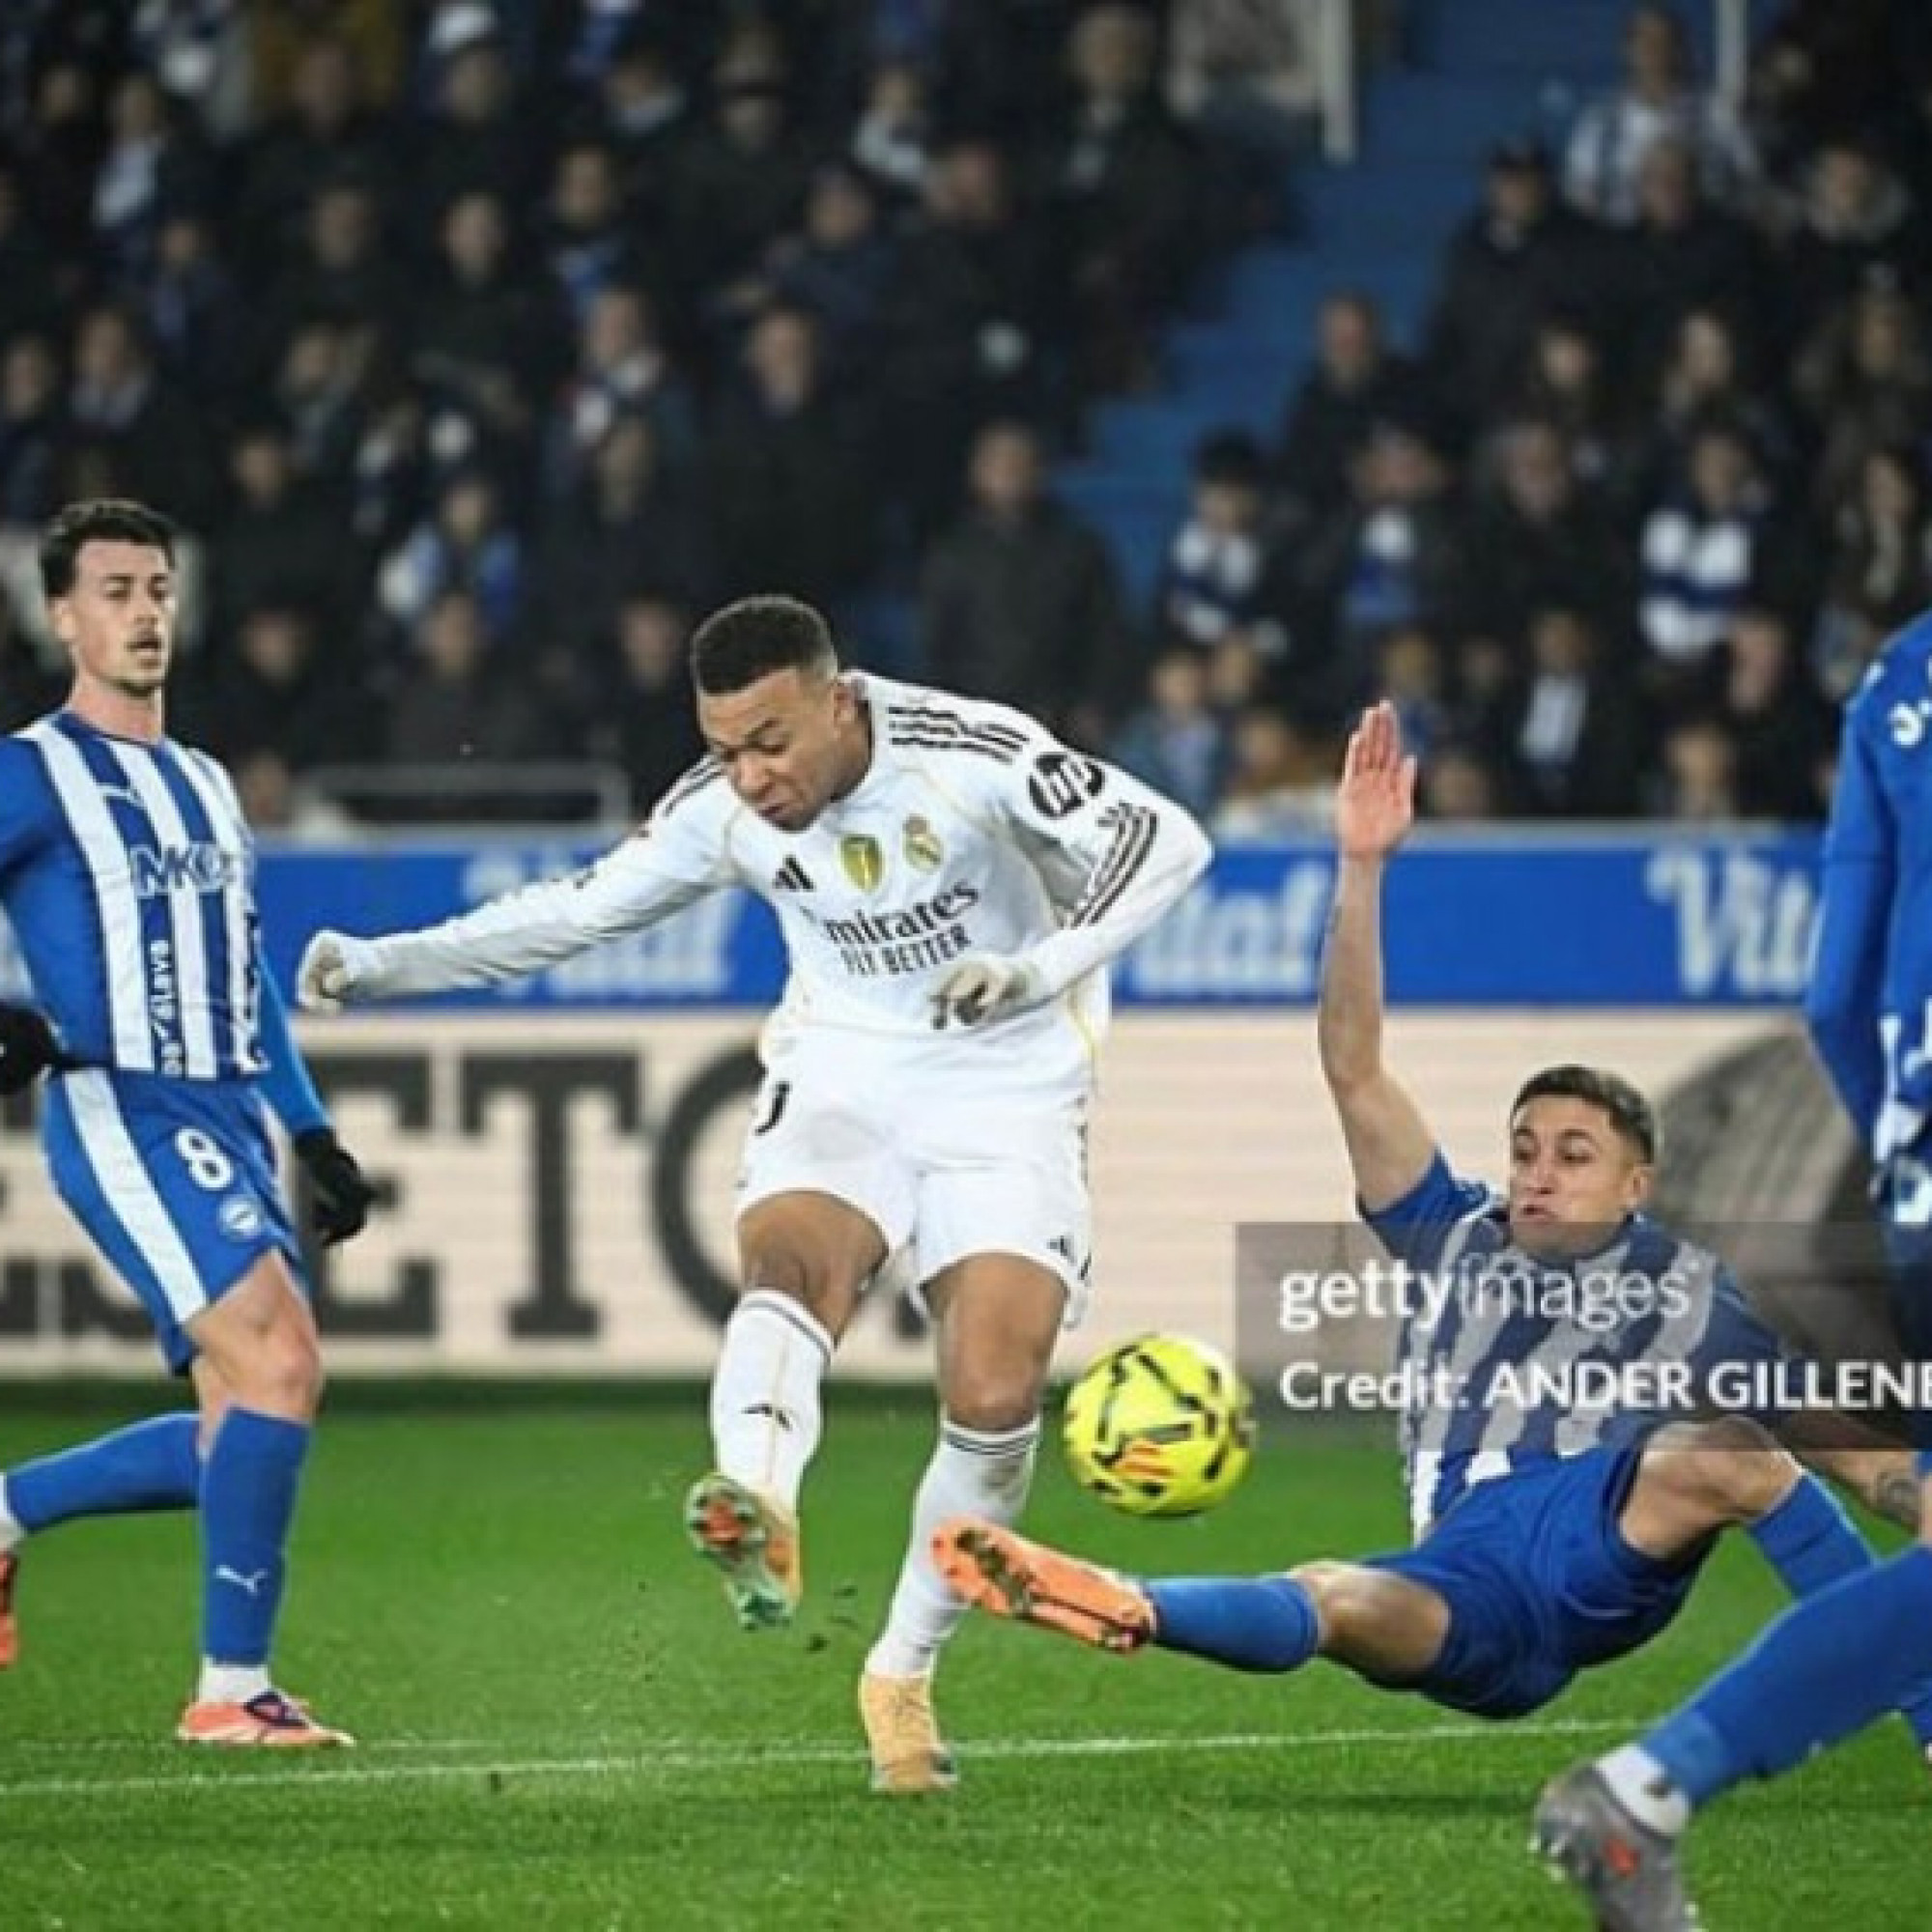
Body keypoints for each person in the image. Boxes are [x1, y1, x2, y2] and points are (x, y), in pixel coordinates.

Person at [295, 591, 1213, 1792]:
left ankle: (897, 1671)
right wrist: (384, 966)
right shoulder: (719, 810)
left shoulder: (970, 752)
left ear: (839, 701)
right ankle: (759, 1506)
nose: (750, 777)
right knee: (790, 1265)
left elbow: (1168, 842)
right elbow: (569, 913)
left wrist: (1034, 967)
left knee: (992, 1392)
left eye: (771, 742)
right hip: (842, 1065)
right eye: (725, 747)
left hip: (1007, 1082)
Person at [934, 700, 1927, 1758]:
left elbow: (1811, 1430)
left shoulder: (1677, 1289)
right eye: (1524, 1147)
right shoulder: (1448, 1232)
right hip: (1463, 1580)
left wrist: (1898, 1482)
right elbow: (1352, 1065)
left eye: (1572, 1154)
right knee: (1331, 1595)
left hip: (1590, 1550)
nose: (1537, 1172)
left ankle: (1914, 1706)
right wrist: (1360, 869)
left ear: (1636, 1182)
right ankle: (1134, 1602)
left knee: (1725, 1450)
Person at [1533, 602, 1932, 1929]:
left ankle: (1650, 1789)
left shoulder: (1897, 673)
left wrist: (1900, 1149)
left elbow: (1837, 995)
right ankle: (1653, 1783)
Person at [0, 497, 373, 1745]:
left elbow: (244, 972)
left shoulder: (207, 784)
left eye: (157, 588)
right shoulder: (33, 770)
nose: (143, 613)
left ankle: (5, 1514)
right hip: (122, 1102)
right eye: (113, 591)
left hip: (226, 1110)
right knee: (281, 1363)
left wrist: (311, 1131)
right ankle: (229, 1693)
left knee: (244, 1411)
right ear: (61, 616)